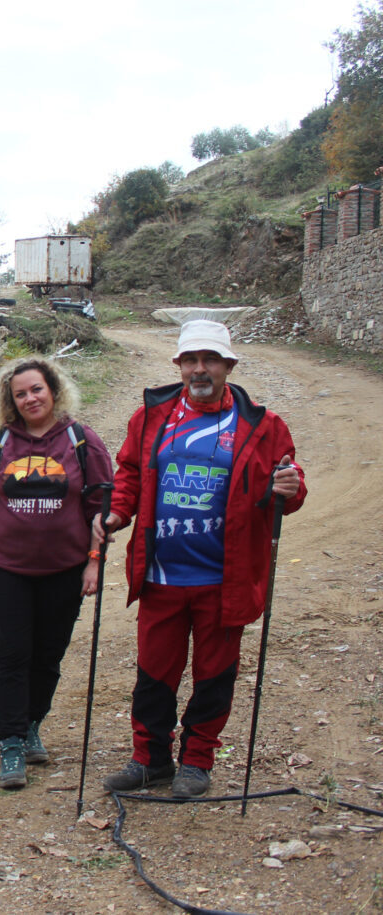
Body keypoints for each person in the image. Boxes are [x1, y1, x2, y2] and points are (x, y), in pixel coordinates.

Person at [98, 320, 306, 798]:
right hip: (162, 575)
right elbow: (129, 472)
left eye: (210, 360)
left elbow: (288, 487)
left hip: (224, 578)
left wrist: (291, 488)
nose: (199, 369)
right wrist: (115, 514)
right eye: (191, 360)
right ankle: (150, 760)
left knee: (214, 676)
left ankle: (197, 761)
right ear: (178, 365)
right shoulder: (151, 416)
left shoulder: (263, 425)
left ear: (228, 366)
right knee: (153, 675)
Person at [0, 357, 114, 789]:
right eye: (20, 393)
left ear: (53, 390)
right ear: (10, 401)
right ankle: (11, 740)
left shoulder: (81, 441)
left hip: (65, 569)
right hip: (7, 568)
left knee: (48, 657)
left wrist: (94, 562)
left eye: (36, 390)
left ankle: (30, 723)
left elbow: (100, 507)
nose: (30, 398)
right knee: (11, 655)